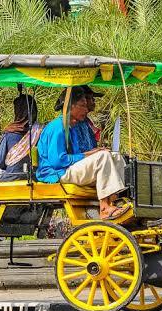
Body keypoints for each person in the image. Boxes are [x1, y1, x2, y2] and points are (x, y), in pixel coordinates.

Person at [37, 87, 128, 220]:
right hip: (58, 173)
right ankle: (104, 207)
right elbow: (58, 162)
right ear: (70, 106)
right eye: (82, 106)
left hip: (70, 169)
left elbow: (79, 155)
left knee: (115, 156)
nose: (86, 110)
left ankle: (115, 200)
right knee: (102, 157)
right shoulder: (57, 127)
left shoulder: (73, 127)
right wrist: (89, 155)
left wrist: (94, 152)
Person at [0, 94, 43, 182]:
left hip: (12, 178)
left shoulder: (10, 133)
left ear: (17, 111)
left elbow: (0, 161)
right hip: (36, 178)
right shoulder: (41, 131)